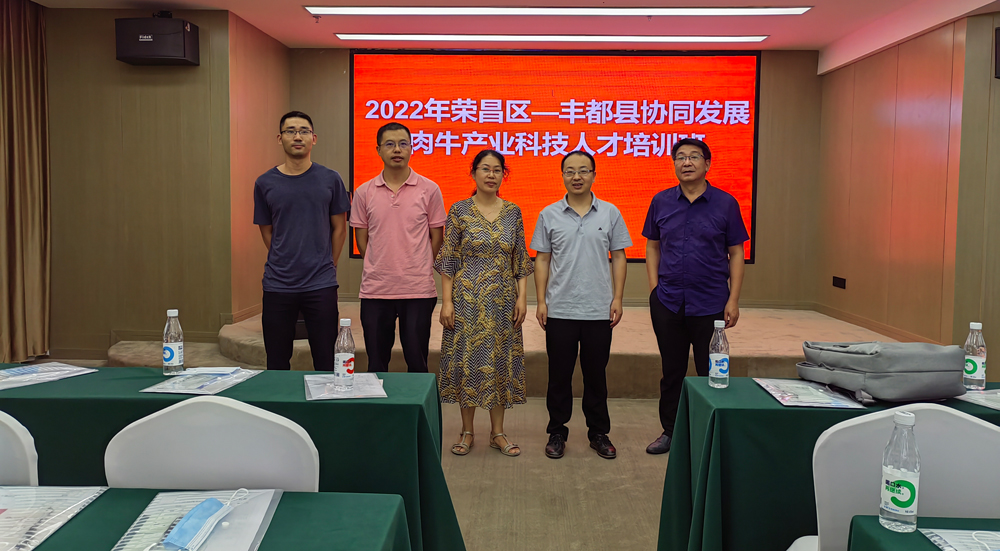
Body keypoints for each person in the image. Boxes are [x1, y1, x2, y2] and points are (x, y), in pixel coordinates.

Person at [643, 138, 748, 454]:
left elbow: (736, 252)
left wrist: (733, 300)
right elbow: (652, 246)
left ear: (707, 164)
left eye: (693, 156)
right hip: (668, 301)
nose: (686, 162)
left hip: (711, 302)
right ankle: (671, 432)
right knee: (671, 372)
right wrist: (654, 290)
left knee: (713, 372)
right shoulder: (661, 201)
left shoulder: (726, 203)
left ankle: (711, 435)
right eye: (680, 157)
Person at [532, 151, 631, 460]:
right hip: (560, 308)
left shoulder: (610, 212)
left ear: (594, 175)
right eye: (570, 171)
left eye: (584, 171)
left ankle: (598, 433)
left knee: (595, 375)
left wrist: (618, 297)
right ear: (562, 175)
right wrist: (541, 301)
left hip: (598, 309)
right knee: (559, 375)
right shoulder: (549, 214)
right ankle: (556, 432)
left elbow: (619, 257)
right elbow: (542, 260)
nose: (577, 177)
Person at [436, 149, 533, 457]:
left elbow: (520, 259)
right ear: (473, 173)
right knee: (468, 362)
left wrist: (523, 298)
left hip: (503, 301)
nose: (491, 175)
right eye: (485, 169)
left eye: (497, 170)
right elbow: (449, 259)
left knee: (500, 362)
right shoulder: (459, 210)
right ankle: (467, 431)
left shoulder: (513, 212)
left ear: (504, 174)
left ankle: (498, 433)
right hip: (466, 300)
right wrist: (446, 302)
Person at [253, 111, 350, 371]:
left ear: (313, 138)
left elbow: (339, 229)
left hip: (321, 283)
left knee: (326, 360)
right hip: (278, 284)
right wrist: (284, 257)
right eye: (291, 131)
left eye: (304, 131)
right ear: (280, 138)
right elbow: (266, 230)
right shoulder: (264, 182)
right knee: (276, 361)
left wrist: (328, 264)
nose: (298, 136)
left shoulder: (331, 179)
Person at [351, 122, 446, 373]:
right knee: (376, 364)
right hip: (376, 290)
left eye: (403, 144)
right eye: (390, 144)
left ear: (412, 148)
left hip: (417, 290)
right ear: (378, 150)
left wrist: (420, 264)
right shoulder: (364, 192)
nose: (397, 150)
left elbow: (437, 237)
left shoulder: (429, 189)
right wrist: (379, 263)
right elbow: (362, 240)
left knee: (417, 362)